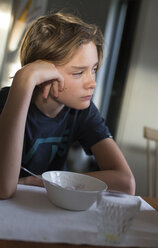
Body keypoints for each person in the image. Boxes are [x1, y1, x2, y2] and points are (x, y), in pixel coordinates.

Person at [0, 11, 135, 199]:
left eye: (94, 69)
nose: (92, 83)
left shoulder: (82, 112)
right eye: (79, 73)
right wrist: (24, 80)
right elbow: (4, 189)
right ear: (43, 74)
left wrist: (44, 182)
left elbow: (126, 183)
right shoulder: (5, 101)